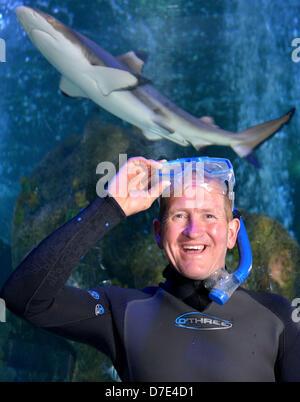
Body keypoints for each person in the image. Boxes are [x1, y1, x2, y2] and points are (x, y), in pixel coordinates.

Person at [1, 156, 300, 382]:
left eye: (209, 215)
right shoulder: (121, 312)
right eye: (180, 216)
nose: (194, 231)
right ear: (158, 232)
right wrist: (110, 206)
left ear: (233, 233)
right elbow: (23, 296)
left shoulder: (281, 318)